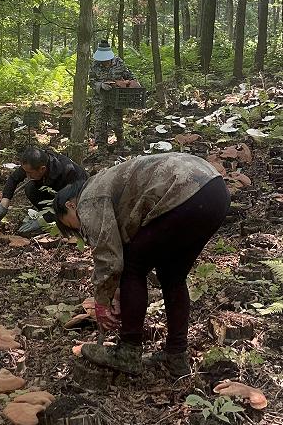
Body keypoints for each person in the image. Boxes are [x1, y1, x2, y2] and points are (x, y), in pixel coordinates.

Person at [52, 153, 230, 377]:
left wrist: (101, 302)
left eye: (73, 224)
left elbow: (109, 258)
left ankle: (128, 351)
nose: (80, 230)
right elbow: (126, 246)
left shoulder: (88, 198)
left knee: (132, 266)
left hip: (186, 190)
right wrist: (116, 293)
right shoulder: (106, 183)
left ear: (70, 205)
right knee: (172, 276)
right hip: (214, 191)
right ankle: (176, 355)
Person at [0, 147, 88, 237]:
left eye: (29, 173)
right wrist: (4, 204)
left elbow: (65, 204)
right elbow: (14, 178)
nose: (26, 176)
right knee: (30, 188)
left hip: (76, 201)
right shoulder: (33, 163)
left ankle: (54, 222)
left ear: (42, 169)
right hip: (55, 195)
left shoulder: (68, 172)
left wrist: (43, 221)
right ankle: (47, 216)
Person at [89, 39, 139, 153]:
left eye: (106, 60)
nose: (104, 62)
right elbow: (91, 81)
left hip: (116, 98)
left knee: (116, 123)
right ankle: (102, 150)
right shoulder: (95, 65)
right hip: (100, 99)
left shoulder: (119, 62)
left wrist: (130, 83)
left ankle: (121, 145)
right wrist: (100, 85)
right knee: (100, 125)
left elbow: (129, 76)